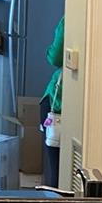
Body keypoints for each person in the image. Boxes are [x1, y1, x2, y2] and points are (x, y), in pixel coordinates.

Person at [40, 15, 64, 187]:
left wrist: (48, 51)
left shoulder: (69, 20)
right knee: (65, 170)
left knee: (56, 169)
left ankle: (56, 200)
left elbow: (55, 57)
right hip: (60, 108)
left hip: (56, 105)